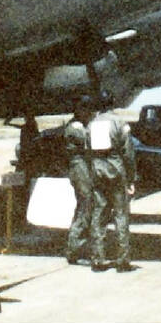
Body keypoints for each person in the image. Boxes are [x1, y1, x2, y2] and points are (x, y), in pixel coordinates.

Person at [88, 98, 136, 272]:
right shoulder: (119, 123)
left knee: (98, 215)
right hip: (116, 172)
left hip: (97, 172)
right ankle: (122, 260)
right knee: (121, 215)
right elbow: (128, 152)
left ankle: (98, 259)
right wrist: (131, 178)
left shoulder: (91, 124)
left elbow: (87, 149)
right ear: (112, 104)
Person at [63, 98, 96, 265]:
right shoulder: (76, 127)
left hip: (82, 167)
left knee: (85, 206)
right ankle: (75, 250)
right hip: (79, 167)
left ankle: (77, 248)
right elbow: (88, 140)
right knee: (85, 206)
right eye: (87, 110)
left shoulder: (79, 125)